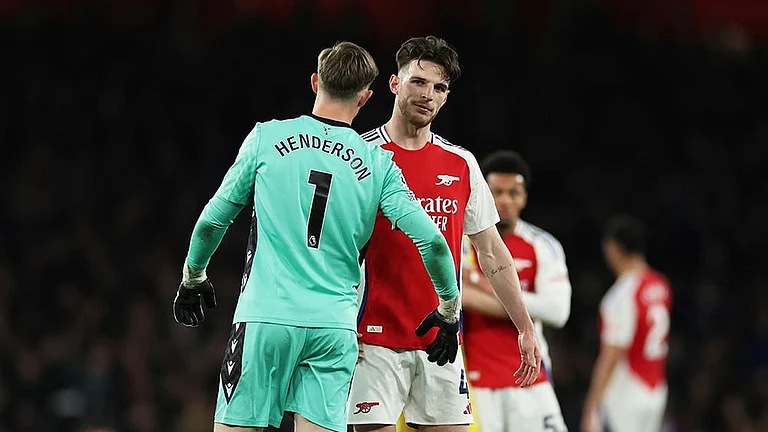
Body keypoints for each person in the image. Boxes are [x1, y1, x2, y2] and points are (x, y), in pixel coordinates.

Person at [171, 41, 464, 432]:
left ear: (315, 82)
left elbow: (212, 222)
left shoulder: (266, 139)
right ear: (366, 97)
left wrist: (194, 276)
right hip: (334, 328)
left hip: (265, 319)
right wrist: (448, 308)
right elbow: (433, 242)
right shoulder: (379, 163)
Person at [349, 36, 541, 432]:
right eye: (418, 82)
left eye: (439, 88)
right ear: (394, 84)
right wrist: (340, 324)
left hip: (442, 340)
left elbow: (491, 251)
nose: (428, 94)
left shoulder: (461, 163)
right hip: (372, 341)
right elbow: (335, 250)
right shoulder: (360, 156)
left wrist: (525, 327)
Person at [461, 150, 571, 431]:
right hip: (475, 382)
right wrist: (509, 300)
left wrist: (484, 287)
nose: (505, 201)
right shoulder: (459, 242)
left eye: (514, 193)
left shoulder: (543, 245)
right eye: (497, 192)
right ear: (482, 193)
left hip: (531, 379)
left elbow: (557, 312)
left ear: (525, 197)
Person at [581, 215, 673, 432]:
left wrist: (591, 408)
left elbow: (611, 355)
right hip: (656, 389)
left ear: (614, 249)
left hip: (628, 392)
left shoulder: (621, 296)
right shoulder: (661, 285)